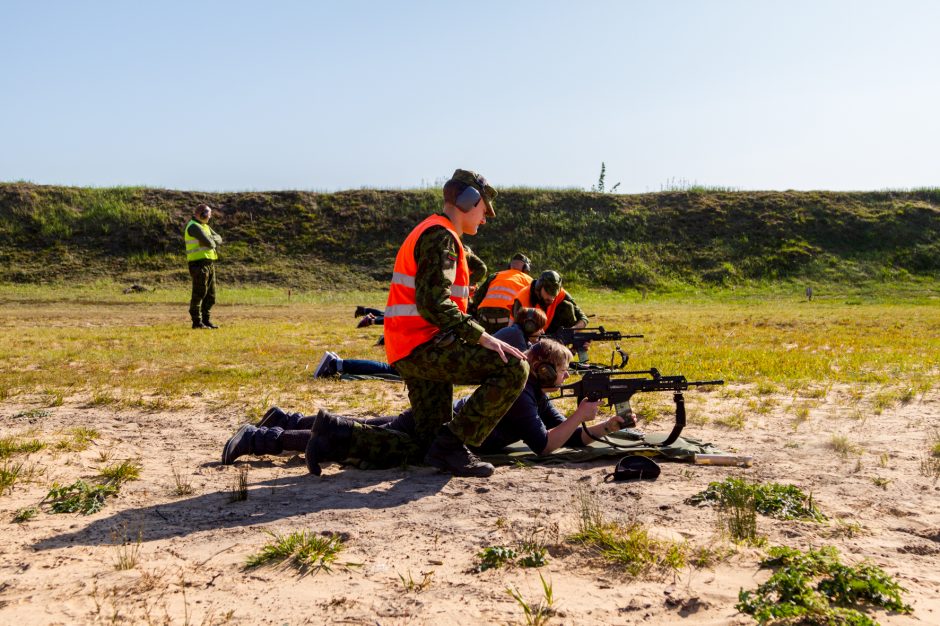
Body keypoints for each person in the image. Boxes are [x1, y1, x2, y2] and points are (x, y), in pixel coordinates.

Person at [362, 168, 529, 477]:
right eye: (483, 209)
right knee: (514, 366)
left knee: (426, 447)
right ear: (468, 201)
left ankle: (330, 436)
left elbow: (450, 284)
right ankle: (453, 446)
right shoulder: (441, 236)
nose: (485, 217)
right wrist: (482, 337)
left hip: (412, 347)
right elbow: (432, 304)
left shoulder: (437, 232)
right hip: (424, 347)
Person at [221, 339, 630, 465]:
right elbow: (545, 445)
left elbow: (567, 437)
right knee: (353, 440)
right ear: (541, 370)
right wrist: (580, 413)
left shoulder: (533, 395)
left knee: (368, 429)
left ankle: (276, 425)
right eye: (561, 371)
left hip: (440, 423)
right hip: (439, 429)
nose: (565, 378)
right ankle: (263, 437)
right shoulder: (522, 397)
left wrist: (606, 426)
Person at [470, 253, 534, 334]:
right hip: (508, 319)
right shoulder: (530, 281)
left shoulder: (495, 275)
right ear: (526, 268)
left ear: (509, 265)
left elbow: (477, 299)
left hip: (484, 316)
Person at [184, 204, 223, 329]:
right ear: (203, 214)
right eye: (209, 215)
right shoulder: (194, 226)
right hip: (198, 264)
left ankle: (206, 321)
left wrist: (212, 239)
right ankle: (197, 322)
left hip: (209, 264)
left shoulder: (204, 226)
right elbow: (210, 243)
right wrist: (211, 240)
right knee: (199, 294)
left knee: (210, 295)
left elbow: (219, 239)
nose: (209, 218)